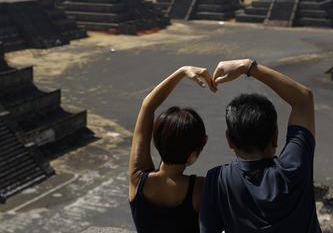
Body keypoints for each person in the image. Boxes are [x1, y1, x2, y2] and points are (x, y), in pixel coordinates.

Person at [200, 58, 320, 233]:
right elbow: (303, 99)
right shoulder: (294, 168)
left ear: (229, 140)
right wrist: (247, 67)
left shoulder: (218, 180)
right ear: (275, 137)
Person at [128, 66, 216, 233]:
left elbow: (148, 106)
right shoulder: (201, 189)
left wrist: (181, 72)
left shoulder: (138, 180)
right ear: (192, 154)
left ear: (157, 139)